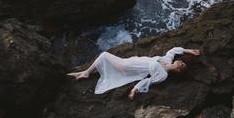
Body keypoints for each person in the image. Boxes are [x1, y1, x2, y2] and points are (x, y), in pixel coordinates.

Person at [67, 47, 200, 100]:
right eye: (181, 62)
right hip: (133, 61)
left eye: (181, 65)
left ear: (178, 70)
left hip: (130, 67)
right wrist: (190, 51)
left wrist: (134, 90)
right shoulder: (167, 59)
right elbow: (174, 50)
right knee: (105, 61)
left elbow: (148, 81)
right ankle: (86, 72)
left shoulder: (163, 76)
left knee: (104, 55)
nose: (180, 62)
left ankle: (86, 73)